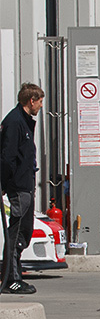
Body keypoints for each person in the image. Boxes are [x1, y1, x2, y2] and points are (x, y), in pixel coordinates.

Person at [1, 83, 44, 294]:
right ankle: (11, 279)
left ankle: (14, 274)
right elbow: (7, 158)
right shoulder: (14, 122)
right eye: (40, 101)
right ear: (31, 101)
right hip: (18, 186)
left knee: (23, 232)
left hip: (26, 184)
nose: (41, 106)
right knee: (16, 233)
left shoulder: (24, 122)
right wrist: (3, 184)